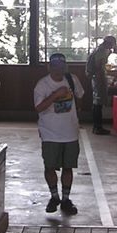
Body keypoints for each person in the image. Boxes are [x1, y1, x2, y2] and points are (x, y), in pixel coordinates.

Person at [34, 52, 85, 215]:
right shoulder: (42, 85)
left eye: (61, 66)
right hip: (50, 133)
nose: (58, 69)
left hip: (70, 132)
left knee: (68, 167)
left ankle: (65, 199)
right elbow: (39, 108)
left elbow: (80, 95)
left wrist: (77, 112)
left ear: (65, 67)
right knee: (49, 166)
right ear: (49, 67)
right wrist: (55, 95)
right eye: (55, 66)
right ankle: (54, 196)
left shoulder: (72, 79)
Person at [87, 35, 117, 135]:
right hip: (98, 78)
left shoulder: (99, 49)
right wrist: (102, 80)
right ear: (108, 43)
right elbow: (99, 66)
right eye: (112, 44)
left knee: (97, 102)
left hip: (96, 77)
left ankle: (97, 126)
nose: (112, 46)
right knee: (98, 103)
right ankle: (98, 127)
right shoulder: (102, 51)